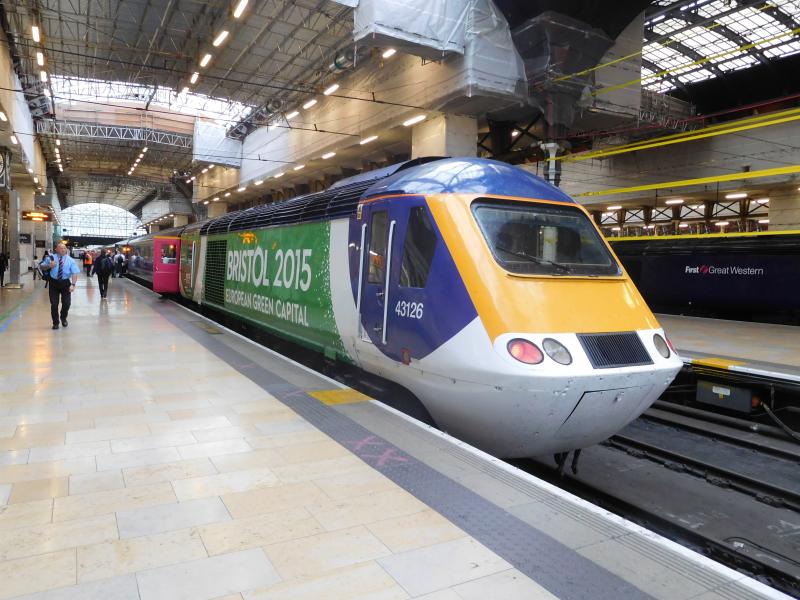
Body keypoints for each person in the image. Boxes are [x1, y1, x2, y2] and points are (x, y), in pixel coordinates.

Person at [40, 242, 80, 329]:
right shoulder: (51, 258)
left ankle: (63, 317)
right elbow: (41, 266)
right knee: (54, 304)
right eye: (61, 248)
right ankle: (55, 322)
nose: (63, 250)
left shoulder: (70, 260)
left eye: (64, 248)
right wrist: (49, 265)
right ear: (56, 249)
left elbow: (75, 273)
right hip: (53, 283)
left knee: (67, 303)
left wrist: (73, 284)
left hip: (65, 283)